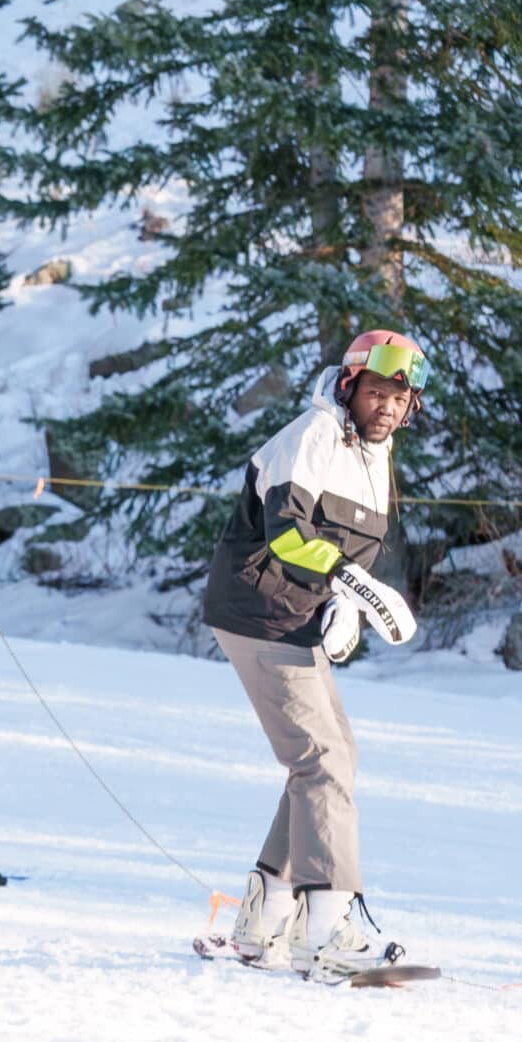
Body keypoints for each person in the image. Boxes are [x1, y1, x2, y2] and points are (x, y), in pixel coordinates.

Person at [200, 329, 430, 983]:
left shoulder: (375, 457)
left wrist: (345, 602)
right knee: (320, 760)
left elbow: (350, 553)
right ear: (351, 385)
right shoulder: (316, 432)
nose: (387, 406)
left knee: (332, 758)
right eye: (378, 391)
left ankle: (265, 917)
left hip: (295, 617)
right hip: (258, 610)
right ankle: (327, 927)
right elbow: (287, 532)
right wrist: (351, 586)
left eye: (400, 397)